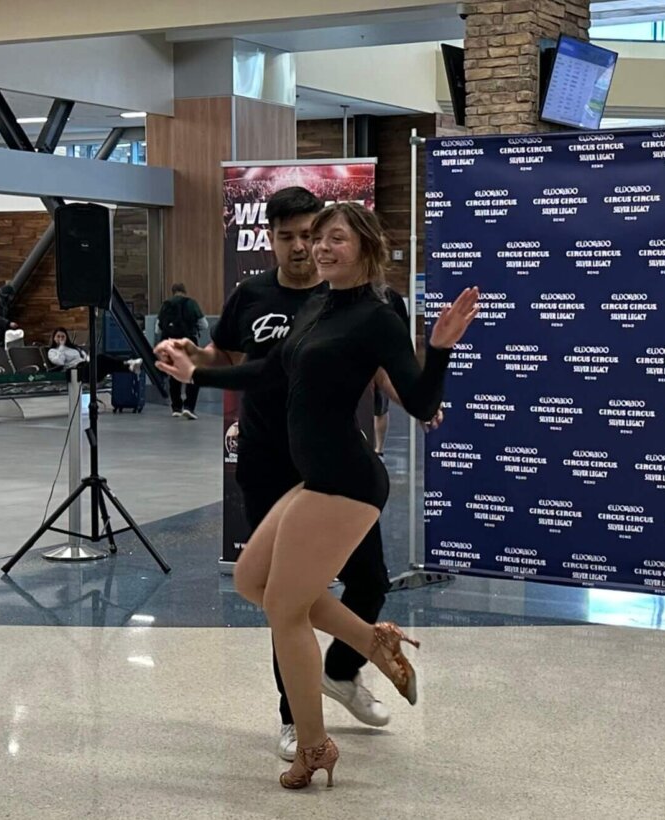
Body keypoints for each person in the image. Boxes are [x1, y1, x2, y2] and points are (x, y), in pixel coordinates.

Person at [157, 202, 479, 790]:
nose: (320, 247)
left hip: (349, 481)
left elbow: (424, 403)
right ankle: (369, 638)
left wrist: (440, 347)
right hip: (317, 478)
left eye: (335, 239)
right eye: (315, 238)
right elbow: (266, 372)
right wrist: (194, 376)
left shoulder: (378, 316)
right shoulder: (315, 306)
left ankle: (313, 745)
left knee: (285, 607)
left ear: (365, 249)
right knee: (253, 581)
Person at [156, 187, 395, 763]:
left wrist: (412, 394)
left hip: (336, 462)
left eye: (309, 234)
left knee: (371, 580)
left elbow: (383, 361)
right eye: (285, 236)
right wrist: (193, 356)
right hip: (268, 462)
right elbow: (228, 360)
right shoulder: (250, 295)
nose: (299, 247)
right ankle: (293, 715)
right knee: (284, 597)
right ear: (270, 238)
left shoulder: (342, 296)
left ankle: (341, 672)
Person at [157, 283, 208, 420]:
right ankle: (189, 407)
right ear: (184, 291)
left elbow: (158, 328)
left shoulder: (166, 305)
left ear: (173, 292)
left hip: (171, 344)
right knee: (193, 374)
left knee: (174, 375)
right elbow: (204, 325)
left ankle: (176, 408)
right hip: (188, 343)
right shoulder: (191, 303)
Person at [373, 286, 409, 460]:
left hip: (382, 362)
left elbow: (403, 332)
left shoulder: (392, 297)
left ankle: (378, 449)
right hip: (353, 361)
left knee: (380, 407)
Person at [47, 327, 142, 379]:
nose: (60, 339)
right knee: (101, 359)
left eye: (63, 336)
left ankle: (130, 367)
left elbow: (84, 358)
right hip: (76, 371)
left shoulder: (74, 348)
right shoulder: (53, 351)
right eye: (58, 336)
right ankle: (128, 364)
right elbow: (60, 362)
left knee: (106, 366)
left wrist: (88, 357)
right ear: (54, 338)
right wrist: (61, 347)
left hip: (86, 367)